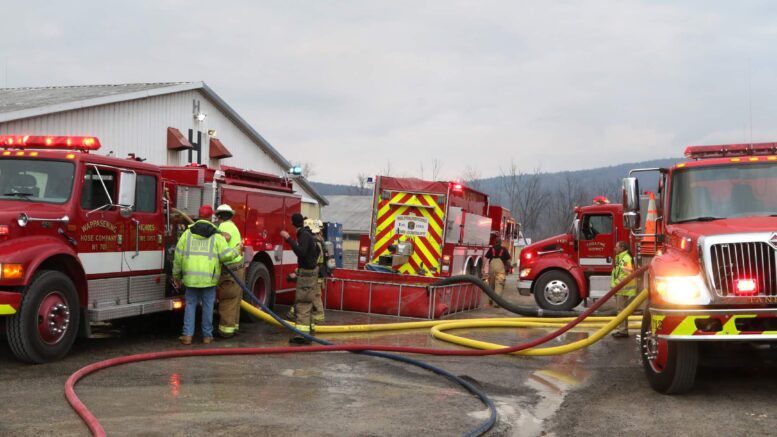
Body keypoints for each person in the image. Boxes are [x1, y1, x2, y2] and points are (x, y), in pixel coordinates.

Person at [173, 205, 238, 345]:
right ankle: (207, 337)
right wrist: (237, 250)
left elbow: (178, 257)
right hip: (209, 279)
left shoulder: (187, 234)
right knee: (208, 307)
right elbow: (226, 256)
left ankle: (187, 336)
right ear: (211, 217)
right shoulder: (216, 235)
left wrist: (176, 276)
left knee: (190, 305)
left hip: (190, 278)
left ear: (199, 215)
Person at [280, 213, 319, 345]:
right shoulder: (307, 235)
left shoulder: (303, 235)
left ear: (293, 224)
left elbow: (301, 253)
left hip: (307, 276)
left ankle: (301, 336)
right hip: (310, 274)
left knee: (302, 304)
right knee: (308, 304)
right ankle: (309, 332)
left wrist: (288, 239)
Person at [214, 204, 245, 338]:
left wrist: (214, 238)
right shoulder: (233, 225)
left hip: (230, 269)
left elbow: (225, 237)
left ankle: (225, 331)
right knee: (235, 299)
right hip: (238, 267)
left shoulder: (224, 226)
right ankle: (233, 327)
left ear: (219, 216)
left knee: (227, 299)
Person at [611, 241, 637, 338]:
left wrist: (616, 285)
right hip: (621, 288)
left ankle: (622, 331)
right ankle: (622, 330)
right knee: (621, 310)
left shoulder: (625, 258)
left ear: (622, 248)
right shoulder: (621, 257)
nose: (615, 249)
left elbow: (626, 274)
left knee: (621, 310)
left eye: (616, 247)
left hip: (623, 288)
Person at [484, 236, 511, 306]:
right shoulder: (504, 249)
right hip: (500, 270)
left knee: (491, 285)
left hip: (492, 269)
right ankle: (497, 303)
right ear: (501, 242)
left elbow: (485, 258)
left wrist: (482, 267)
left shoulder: (491, 249)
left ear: (495, 242)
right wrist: (508, 267)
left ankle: (490, 300)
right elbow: (508, 261)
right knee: (499, 285)